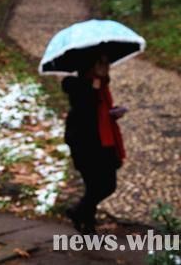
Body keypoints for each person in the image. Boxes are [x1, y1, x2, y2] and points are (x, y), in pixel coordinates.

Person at [62, 53, 126, 234]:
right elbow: (84, 111)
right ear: (91, 66)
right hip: (86, 146)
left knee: (102, 186)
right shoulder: (78, 87)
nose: (107, 66)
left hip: (103, 143)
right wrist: (94, 85)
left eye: (107, 62)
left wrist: (112, 113)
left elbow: (99, 113)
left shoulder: (101, 87)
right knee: (100, 186)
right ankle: (79, 215)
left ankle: (85, 221)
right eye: (102, 63)